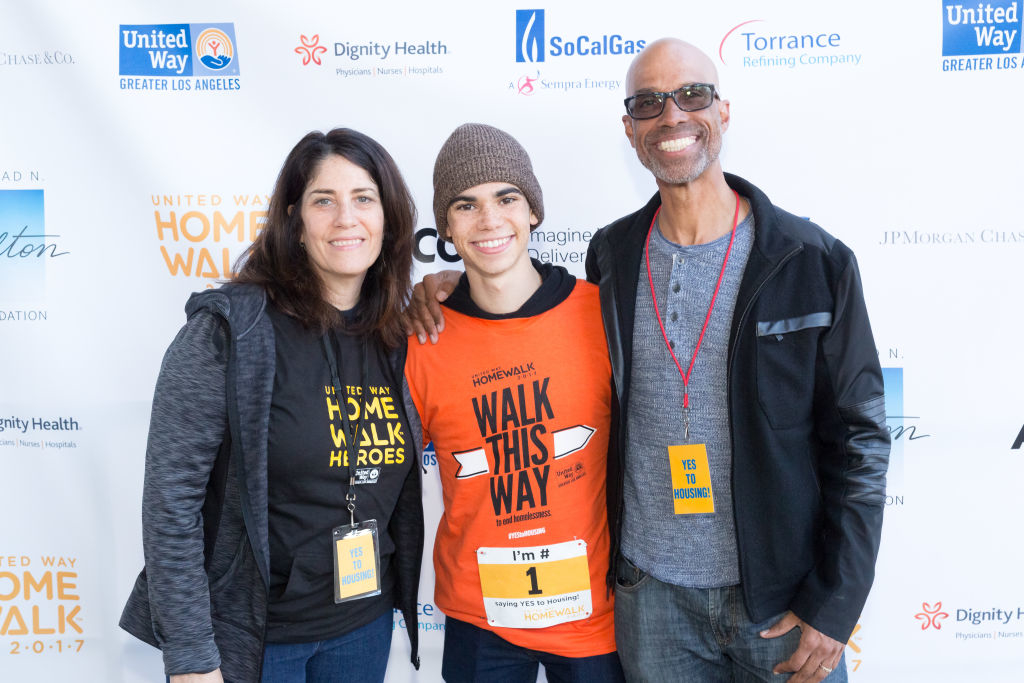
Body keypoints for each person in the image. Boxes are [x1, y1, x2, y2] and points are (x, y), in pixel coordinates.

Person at [409, 39, 889, 683]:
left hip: (781, 602)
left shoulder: (810, 261)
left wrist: (834, 605)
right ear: (630, 129)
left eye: (692, 95)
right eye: (648, 103)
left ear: (723, 110)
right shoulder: (613, 258)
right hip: (649, 600)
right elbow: (515, 312)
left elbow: (861, 441)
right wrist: (439, 288)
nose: (672, 116)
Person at [120, 128, 424, 683]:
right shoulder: (230, 331)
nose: (346, 218)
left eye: (364, 198)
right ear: (294, 221)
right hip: (253, 639)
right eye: (323, 201)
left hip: (364, 626)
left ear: (389, 217)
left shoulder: (399, 336)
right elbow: (170, 505)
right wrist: (191, 658)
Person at [403, 123, 624, 682]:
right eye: (466, 205)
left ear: (533, 212)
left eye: (506, 198)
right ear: (446, 227)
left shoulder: (604, 316)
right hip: (481, 623)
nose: (489, 220)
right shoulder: (421, 339)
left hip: (595, 620)